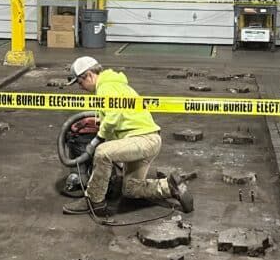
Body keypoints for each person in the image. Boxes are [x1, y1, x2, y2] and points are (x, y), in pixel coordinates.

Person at [63, 55, 193, 217]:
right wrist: (97, 122)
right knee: (130, 189)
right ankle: (171, 187)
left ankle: (94, 201)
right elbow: (120, 117)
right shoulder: (115, 85)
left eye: (80, 82)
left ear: (89, 75)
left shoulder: (105, 87)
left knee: (102, 152)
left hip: (143, 140)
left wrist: (96, 140)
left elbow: (113, 117)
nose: (80, 87)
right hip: (146, 140)